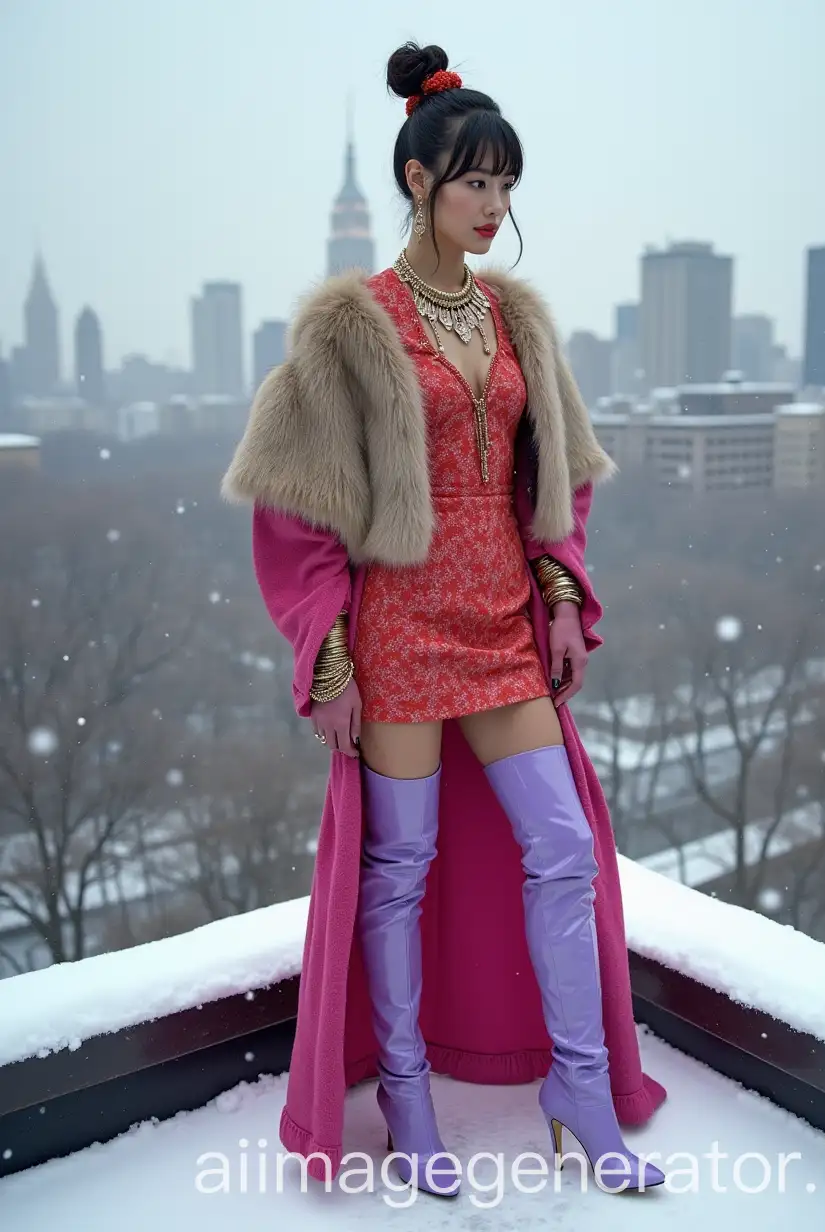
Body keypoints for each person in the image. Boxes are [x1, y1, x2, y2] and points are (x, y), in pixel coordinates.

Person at [221, 41, 666, 1197]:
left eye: (507, 185)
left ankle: (577, 1080)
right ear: (418, 181)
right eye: (475, 181)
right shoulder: (348, 328)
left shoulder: (517, 320)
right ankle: (409, 1098)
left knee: (563, 849)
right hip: (400, 630)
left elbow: (555, 475)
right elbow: (294, 508)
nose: (494, 206)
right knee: (400, 868)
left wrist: (563, 589)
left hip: (503, 620)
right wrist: (326, 655)